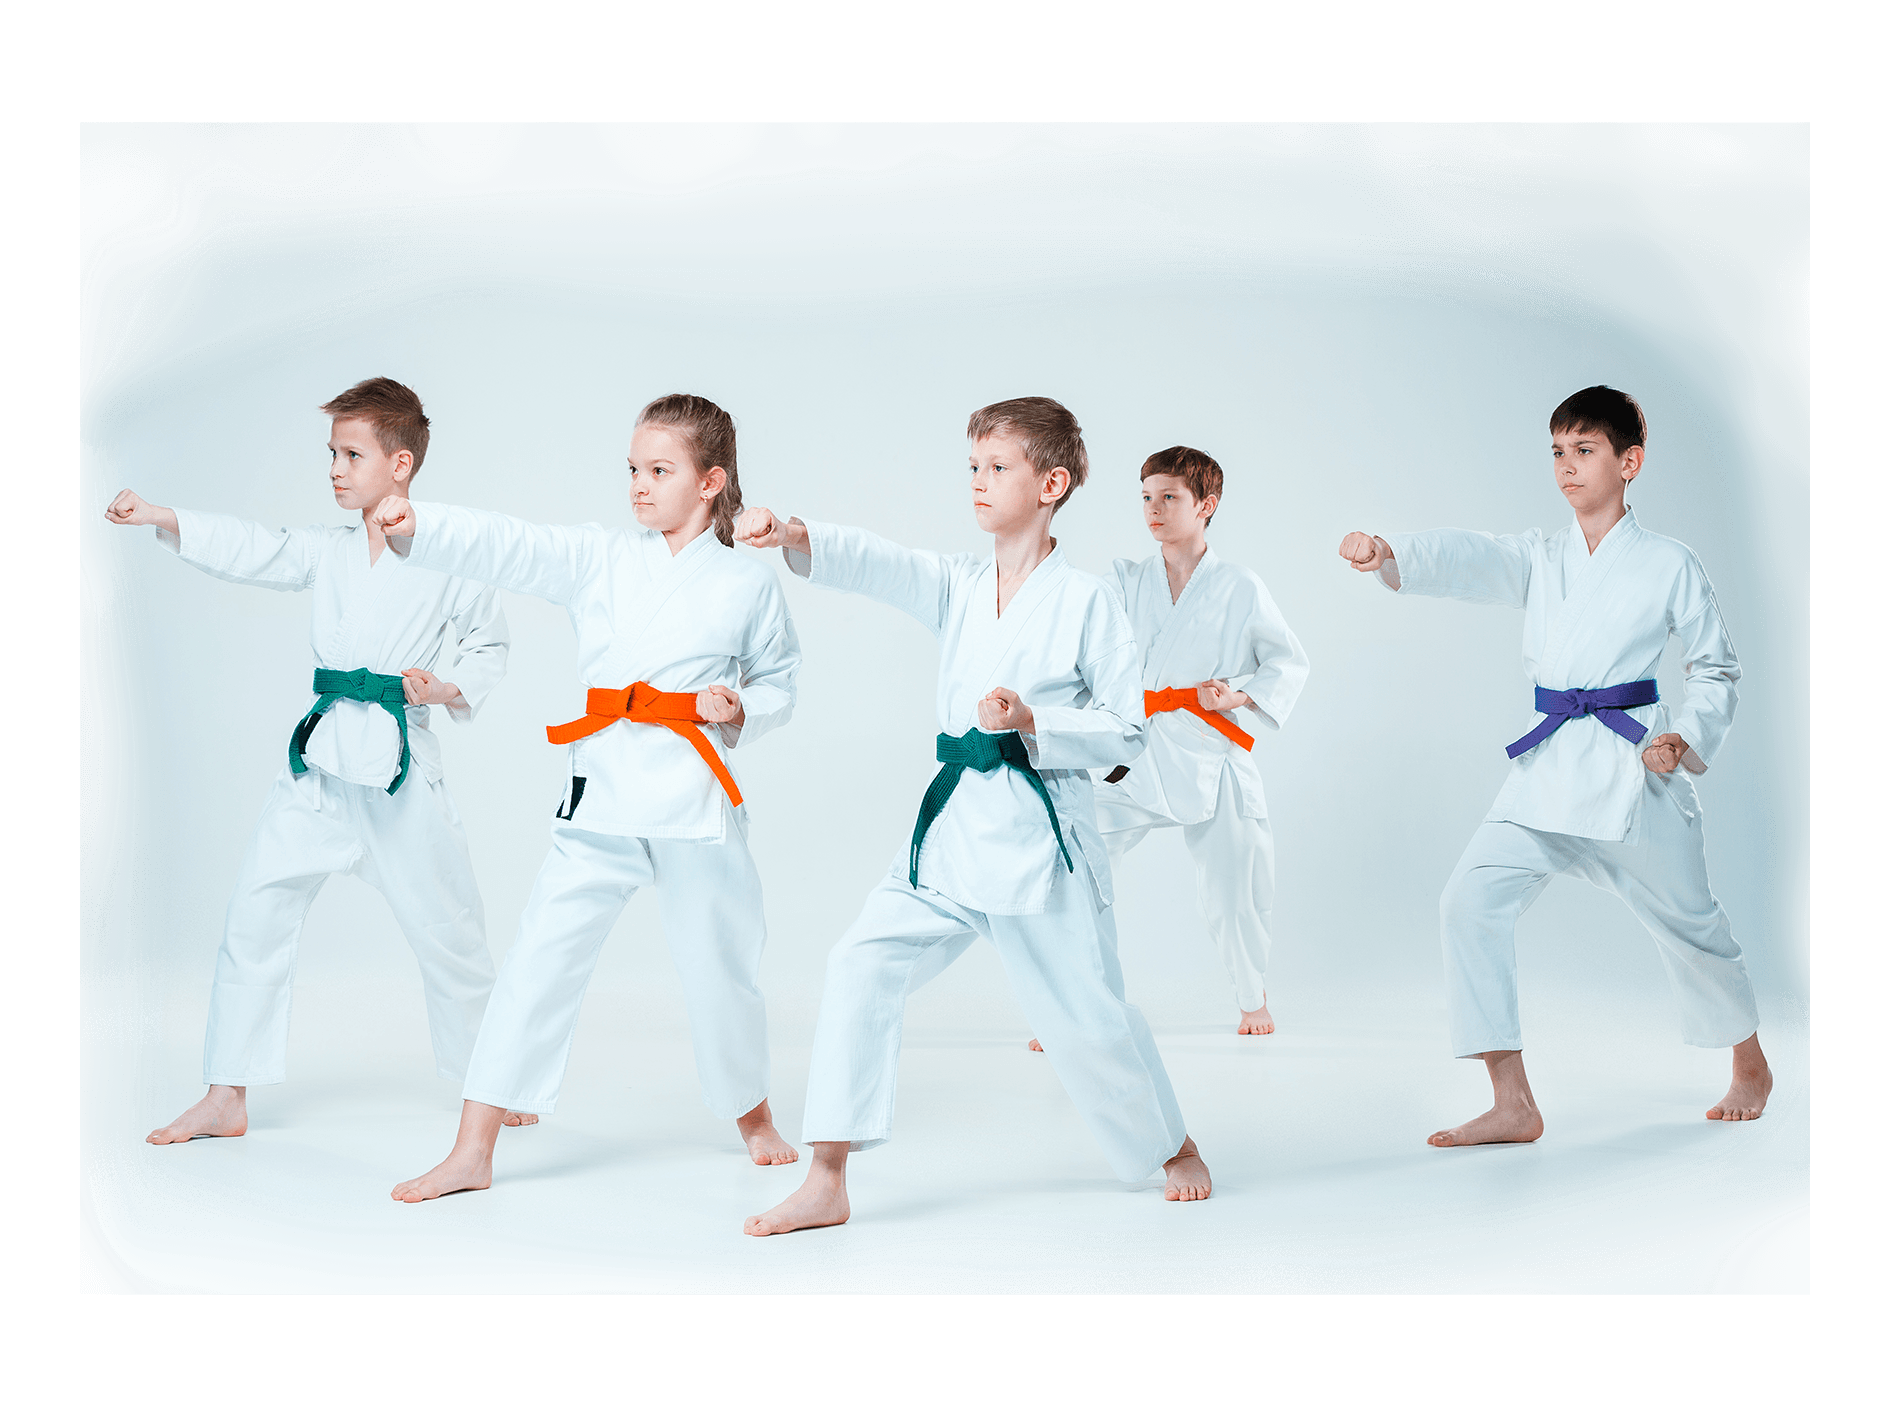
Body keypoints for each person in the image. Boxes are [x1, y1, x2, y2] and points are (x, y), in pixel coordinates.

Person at [738, 396, 1212, 1237]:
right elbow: (881, 563)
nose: (979, 482)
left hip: (1040, 848)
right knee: (858, 964)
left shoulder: (1087, 601)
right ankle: (828, 1174)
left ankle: (1172, 1143)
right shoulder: (959, 583)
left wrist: (1033, 721)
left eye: (998, 467)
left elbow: (1128, 729)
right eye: (973, 467)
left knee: (1089, 1018)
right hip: (953, 833)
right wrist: (794, 532)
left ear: (1051, 484)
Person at [374, 394, 803, 1202]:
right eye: (634, 468)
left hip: (694, 801)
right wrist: (421, 523)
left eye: (660, 470)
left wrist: (741, 705)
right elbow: (510, 543)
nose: (639, 484)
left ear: (711, 481)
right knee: (537, 960)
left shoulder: (746, 582)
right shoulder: (599, 557)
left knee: (721, 963)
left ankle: (754, 1114)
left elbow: (780, 679)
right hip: (602, 792)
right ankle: (472, 1146)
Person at [1339, 384, 1771, 1146]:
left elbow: (1716, 666)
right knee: (1468, 900)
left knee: (1691, 924)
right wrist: (1392, 550)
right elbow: (1473, 556)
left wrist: (1683, 736)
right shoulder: (1542, 556)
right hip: (1548, 768)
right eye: (1557, 451)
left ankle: (1750, 1063)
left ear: (1629, 462)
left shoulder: (1669, 562)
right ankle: (1512, 1100)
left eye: (1585, 450)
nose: (1566, 466)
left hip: (1636, 772)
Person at [107, 377, 522, 1145]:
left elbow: (489, 643)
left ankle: (494, 1080)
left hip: (398, 773)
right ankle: (225, 1093)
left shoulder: (450, 552)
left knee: (450, 929)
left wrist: (444, 686)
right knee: (255, 912)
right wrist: (164, 516)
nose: (334, 468)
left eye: (351, 454)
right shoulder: (329, 550)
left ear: (400, 463)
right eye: (331, 453)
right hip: (320, 767)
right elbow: (256, 548)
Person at [1033, 445, 1307, 1045]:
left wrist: (1236, 696)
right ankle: (1075, 1004)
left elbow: (1287, 662)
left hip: (1211, 750)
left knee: (1236, 883)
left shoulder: (1239, 586)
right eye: (1146, 498)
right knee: (1080, 866)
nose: (1153, 509)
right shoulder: (1126, 581)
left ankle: (1251, 994)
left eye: (1169, 497)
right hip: (1133, 752)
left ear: (1207, 505)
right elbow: (1080, 636)